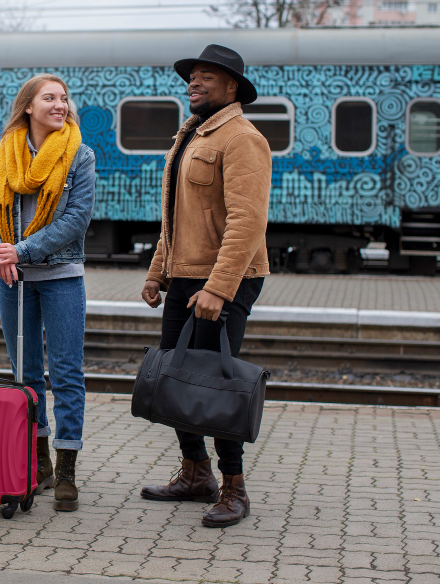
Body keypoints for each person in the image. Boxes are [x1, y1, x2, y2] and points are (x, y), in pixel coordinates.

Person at [138, 44, 272, 528]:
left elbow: (247, 222)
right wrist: (159, 271)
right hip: (187, 274)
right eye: (192, 77)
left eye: (207, 77)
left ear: (232, 86)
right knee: (173, 379)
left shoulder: (241, 138)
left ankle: (234, 486)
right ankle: (195, 473)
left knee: (213, 383)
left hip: (227, 277)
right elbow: (177, 219)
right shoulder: (193, 134)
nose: (194, 83)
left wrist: (219, 288)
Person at [0, 73, 96, 512]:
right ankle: (38, 463)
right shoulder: (0, 154)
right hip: (13, 278)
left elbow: (75, 220)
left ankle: (67, 469)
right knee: (25, 376)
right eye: (50, 98)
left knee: (65, 374)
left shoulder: (80, 155)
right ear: (29, 106)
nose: (60, 104)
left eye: (64, 97)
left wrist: (18, 250)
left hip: (61, 276)